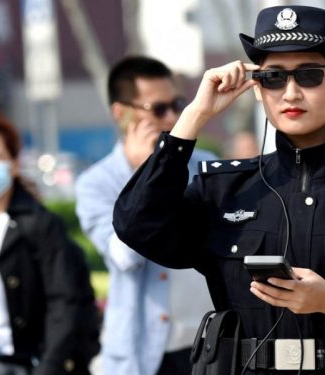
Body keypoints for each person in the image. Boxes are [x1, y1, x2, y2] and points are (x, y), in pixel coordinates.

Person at [113, 5, 325, 374]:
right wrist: (192, 119)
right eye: (273, 77)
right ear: (257, 89)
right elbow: (137, 225)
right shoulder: (225, 189)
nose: (290, 93)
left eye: (308, 75)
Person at [75, 56, 215, 375]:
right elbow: (125, 258)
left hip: (208, 343)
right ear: (121, 114)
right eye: (158, 109)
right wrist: (146, 175)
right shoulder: (96, 183)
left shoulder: (205, 164)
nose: (173, 119)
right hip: (143, 354)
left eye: (177, 105)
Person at [0, 110, 99, 375]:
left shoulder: (39, 224)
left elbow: (64, 301)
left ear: (12, 163)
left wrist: (49, 367)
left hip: (29, 364)